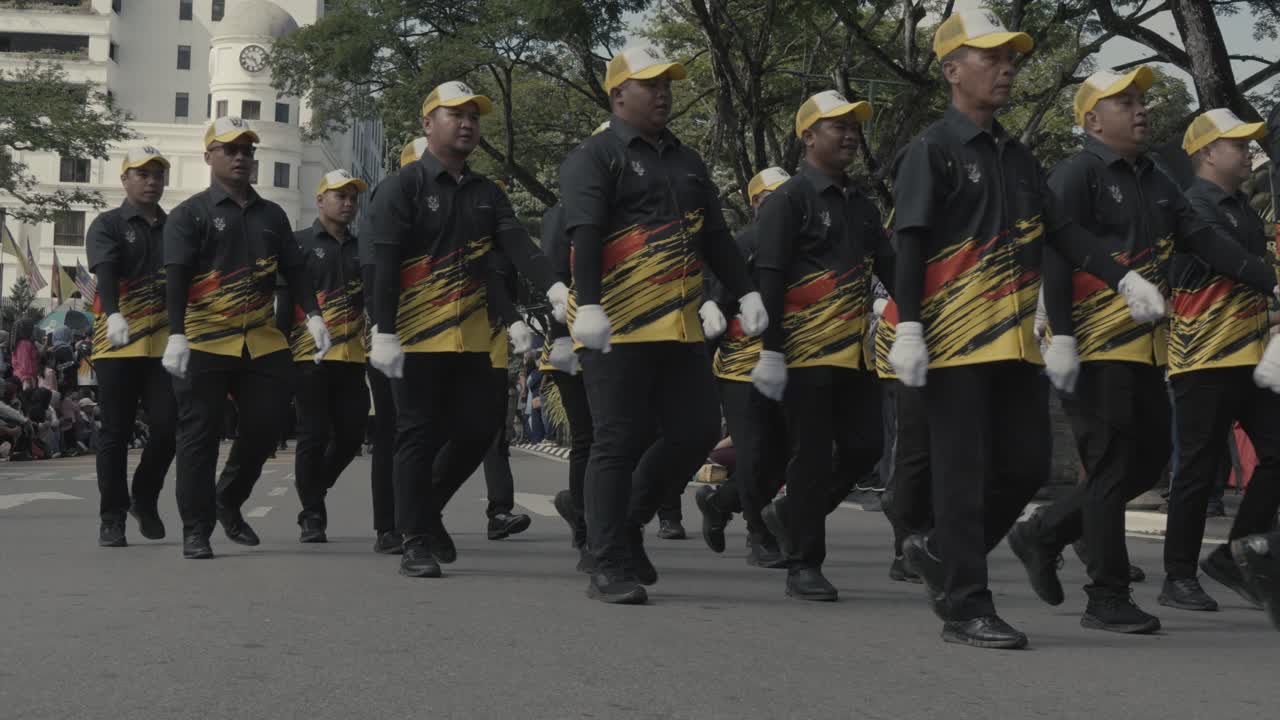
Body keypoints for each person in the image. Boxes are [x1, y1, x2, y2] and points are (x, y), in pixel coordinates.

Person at [886, 10, 1167, 649]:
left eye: (1010, 58)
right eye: (991, 57)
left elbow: (1061, 231)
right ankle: (965, 604)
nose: (1007, 67)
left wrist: (1120, 277)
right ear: (953, 70)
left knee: (1024, 466)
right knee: (962, 473)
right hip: (954, 342)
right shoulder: (931, 149)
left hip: (1014, 341)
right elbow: (908, 244)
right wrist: (909, 328)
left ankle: (937, 550)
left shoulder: (1014, 154)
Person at [1008, 81, 1280, 634]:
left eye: (1142, 102)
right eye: (1126, 104)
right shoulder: (1076, 174)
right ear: (1092, 121)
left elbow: (1203, 240)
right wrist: (1060, 334)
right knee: (1112, 462)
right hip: (1091, 342)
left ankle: (1046, 530)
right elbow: (1057, 253)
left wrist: (1269, 279)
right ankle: (1105, 595)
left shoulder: (1157, 179)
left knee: (1147, 455)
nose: (1141, 111)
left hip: (1144, 346)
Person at [560, 47, 768, 604]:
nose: (663, 93)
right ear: (617, 94)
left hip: (677, 328)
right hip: (618, 327)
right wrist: (591, 305)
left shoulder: (688, 160)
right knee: (617, 440)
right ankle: (605, 561)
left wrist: (744, 291)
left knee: (696, 430)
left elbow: (716, 238)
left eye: (667, 83)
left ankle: (628, 521)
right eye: (649, 84)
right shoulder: (594, 157)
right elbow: (583, 234)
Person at [365, 82, 568, 579]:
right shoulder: (401, 188)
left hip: (475, 337)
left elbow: (518, 248)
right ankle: (414, 539)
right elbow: (381, 266)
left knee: (479, 430)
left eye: (474, 115)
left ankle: (425, 511)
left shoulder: (487, 193)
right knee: (417, 432)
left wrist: (557, 289)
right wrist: (383, 329)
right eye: (455, 114)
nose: (467, 122)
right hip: (416, 335)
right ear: (427, 123)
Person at [745, 92, 895, 600]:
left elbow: (890, 269)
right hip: (803, 352)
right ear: (808, 136)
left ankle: (790, 511)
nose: (850, 134)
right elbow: (768, 277)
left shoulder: (863, 206)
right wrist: (770, 349)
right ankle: (803, 563)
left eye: (854, 125)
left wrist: (920, 318)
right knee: (809, 455)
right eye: (837, 126)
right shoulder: (788, 200)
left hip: (854, 352)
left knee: (865, 447)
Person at [162, 117, 332, 559]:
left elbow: (294, 272)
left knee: (267, 427)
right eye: (230, 149)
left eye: (247, 151)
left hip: (262, 339)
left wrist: (313, 315)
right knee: (198, 436)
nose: (241, 157)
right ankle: (196, 529)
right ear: (208, 156)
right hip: (203, 339)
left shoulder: (272, 214)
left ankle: (228, 499)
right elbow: (177, 280)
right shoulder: (189, 214)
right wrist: (175, 335)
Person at [1161, 109, 1280, 612]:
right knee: (1196, 468)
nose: (1249, 150)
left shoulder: (1244, 207)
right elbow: (1230, 260)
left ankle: (1235, 554)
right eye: (1237, 144)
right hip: (1203, 357)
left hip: (1249, 356)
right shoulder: (1193, 206)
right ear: (1208, 152)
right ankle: (1179, 576)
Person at [695, 166, 790, 569]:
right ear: (755, 203)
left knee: (784, 454)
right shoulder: (743, 243)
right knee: (752, 452)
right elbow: (714, 307)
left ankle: (722, 501)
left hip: (791, 362)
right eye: (773, 197)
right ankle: (759, 534)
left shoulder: (805, 241)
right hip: (741, 367)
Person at [87, 146, 178, 547]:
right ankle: (112, 517)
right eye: (142, 174)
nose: (151, 181)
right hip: (117, 341)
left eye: (158, 174)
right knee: (115, 433)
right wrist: (113, 313)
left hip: (163, 344)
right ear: (124, 179)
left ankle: (144, 496)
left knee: (168, 428)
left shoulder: (176, 227)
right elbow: (105, 271)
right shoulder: (106, 224)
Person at [281, 169, 372, 544]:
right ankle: (313, 515)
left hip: (353, 355)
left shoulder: (363, 247)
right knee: (313, 434)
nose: (348, 203)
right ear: (320, 200)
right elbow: (286, 303)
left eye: (353, 197)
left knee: (352, 434)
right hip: (308, 356)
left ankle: (314, 489)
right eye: (340, 196)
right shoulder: (298, 243)